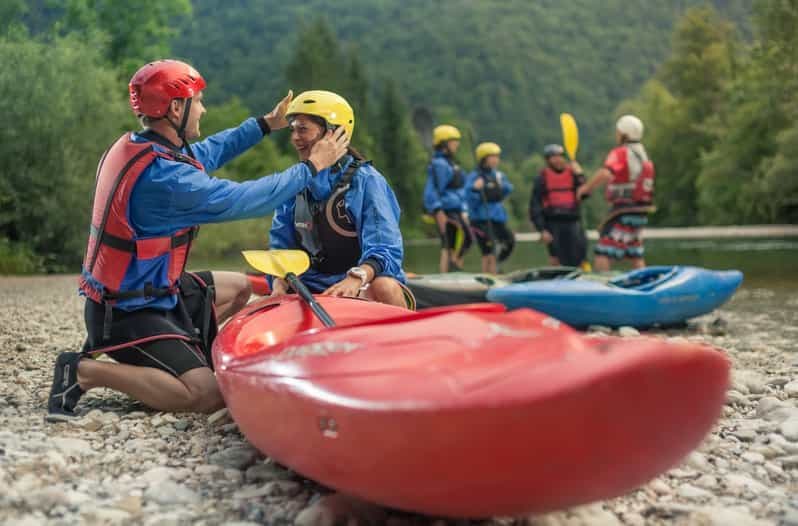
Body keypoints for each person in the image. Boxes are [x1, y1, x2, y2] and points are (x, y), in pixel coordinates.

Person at [47, 60, 348, 418]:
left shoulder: (140, 146)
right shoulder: (168, 181)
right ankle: (84, 372)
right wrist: (313, 166)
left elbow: (209, 151)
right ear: (176, 108)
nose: (203, 108)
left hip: (150, 291)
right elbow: (249, 199)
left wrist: (265, 125)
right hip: (127, 313)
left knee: (237, 287)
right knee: (208, 395)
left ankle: (181, 358)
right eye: (198, 100)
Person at [268, 91, 414, 309]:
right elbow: (281, 246)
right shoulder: (295, 182)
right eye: (293, 130)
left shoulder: (366, 181)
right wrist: (279, 279)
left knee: (384, 285)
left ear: (333, 133)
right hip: (310, 286)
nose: (295, 137)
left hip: (361, 283)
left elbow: (385, 248)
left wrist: (356, 278)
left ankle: (404, 338)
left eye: (303, 129)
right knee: (279, 287)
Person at [577, 115, 655, 271]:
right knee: (635, 252)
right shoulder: (642, 153)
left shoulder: (621, 152)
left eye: (618, 132)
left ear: (624, 134)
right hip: (640, 211)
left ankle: (601, 285)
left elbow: (606, 173)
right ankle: (644, 283)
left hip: (623, 210)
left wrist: (585, 189)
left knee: (603, 250)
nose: (616, 134)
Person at [423, 124, 472, 273]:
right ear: (444, 144)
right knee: (449, 242)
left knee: (465, 239)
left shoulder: (452, 164)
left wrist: (464, 208)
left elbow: (462, 188)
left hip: (456, 208)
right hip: (444, 209)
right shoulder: (439, 164)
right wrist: (437, 210)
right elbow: (431, 190)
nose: (456, 144)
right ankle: (447, 272)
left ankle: (455, 267)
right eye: (453, 141)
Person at [529, 144, 588, 267]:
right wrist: (542, 229)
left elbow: (585, 195)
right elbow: (535, 206)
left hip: (573, 222)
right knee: (556, 258)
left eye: (560, 156)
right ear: (548, 160)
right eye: (554, 157)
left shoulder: (574, 174)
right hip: (552, 224)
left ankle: (578, 281)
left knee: (578, 256)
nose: (558, 160)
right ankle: (556, 281)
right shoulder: (541, 178)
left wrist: (580, 174)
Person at [465, 142, 515, 273]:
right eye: (492, 156)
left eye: (497, 156)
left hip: (497, 218)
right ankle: (490, 276)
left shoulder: (498, 175)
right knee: (488, 250)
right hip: (480, 220)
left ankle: (496, 269)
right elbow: (467, 198)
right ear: (484, 158)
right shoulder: (474, 176)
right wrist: (475, 189)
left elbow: (508, 189)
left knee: (509, 241)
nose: (496, 159)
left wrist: (500, 185)